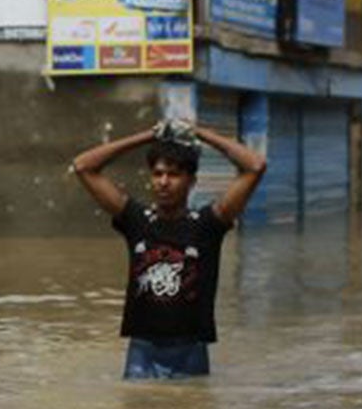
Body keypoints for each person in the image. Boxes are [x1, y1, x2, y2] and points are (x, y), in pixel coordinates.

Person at [69, 119, 267, 380]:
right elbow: (83, 166)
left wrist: (199, 133)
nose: (163, 182)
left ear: (191, 181)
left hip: (191, 351)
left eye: (173, 175)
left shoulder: (208, 224)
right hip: (142, 351)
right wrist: (148, 136)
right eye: (157, 173)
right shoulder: (136, 220)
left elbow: (255, 165)